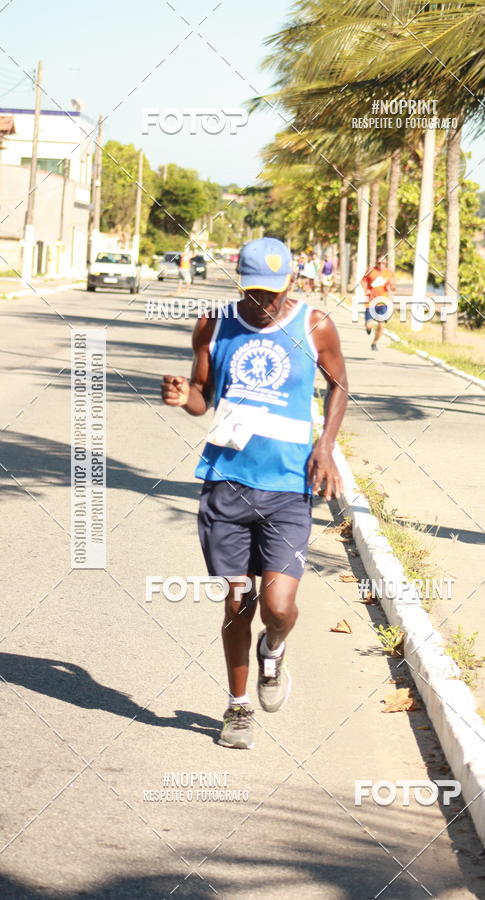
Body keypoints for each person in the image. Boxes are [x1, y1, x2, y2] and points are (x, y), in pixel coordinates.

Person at [161, 237, 348, 750]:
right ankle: (238, 707)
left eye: (275, 290)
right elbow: (203, 396)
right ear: (240, 282)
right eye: (255, 291)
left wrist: (325, 445)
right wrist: (184, 397)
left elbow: (340, 383)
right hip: (226, 482)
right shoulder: (214, 325)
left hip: (288, 488)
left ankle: (275, 647)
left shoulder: (313, 325)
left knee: (280, 606)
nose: (265, 302)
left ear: (292, 282)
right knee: (237, 601)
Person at [361, 255, 395, 351]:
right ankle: (368, 328)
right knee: (369, 325)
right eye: (379, 263)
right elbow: (363, 281)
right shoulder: (370, 271)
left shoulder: (389, 273)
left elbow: (393, 286)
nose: (381, 265)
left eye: (383, 263)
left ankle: (374, 343)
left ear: (386, 264)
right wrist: (366, 289)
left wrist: (390, 287)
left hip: (382, 303)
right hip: (370, 302)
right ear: (376, 262)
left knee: (381, 326)